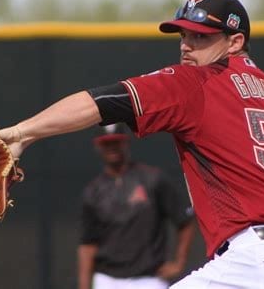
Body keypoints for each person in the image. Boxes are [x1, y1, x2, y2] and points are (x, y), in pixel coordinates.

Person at [0, 0, 264, 288]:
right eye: (184, 34)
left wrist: (22, 133)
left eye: (200, 36)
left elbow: (102, 102)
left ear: (235, 42)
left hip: (261, 264)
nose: (186, 45)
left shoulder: (197, 83)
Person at [77, 123, 195, 289]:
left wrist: (179, 262)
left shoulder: (152, 179)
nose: (112, 147)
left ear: (125, 142)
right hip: (107, 279)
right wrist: (84, 286)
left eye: (116, 142)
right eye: (106, 143)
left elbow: (185, 220)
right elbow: (88, 245)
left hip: (148, 278)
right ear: (98, 146)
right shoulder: (93, 192)